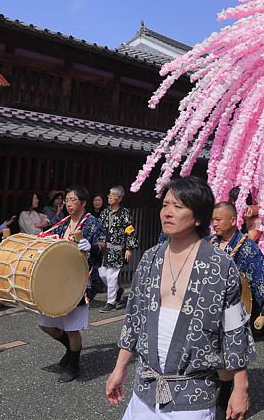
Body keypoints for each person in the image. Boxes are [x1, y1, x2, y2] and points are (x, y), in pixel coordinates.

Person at [106, 176, 255, 419]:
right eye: (165, 205)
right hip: (146, 385)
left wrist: (241, 387)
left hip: (192, 395)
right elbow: (134, 319)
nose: (168, 212)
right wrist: (119, 368)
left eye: (178, 206)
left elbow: (235, 329)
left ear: (199, 217)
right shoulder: (151, 259)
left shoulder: (220, 264)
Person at [210, 201, 264, 417]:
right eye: (213, 220)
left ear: (232, 220)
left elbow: (259, 274)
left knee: (229, 355)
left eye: (218, 219)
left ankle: (225, 399)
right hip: (209, 311)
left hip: (234, 310)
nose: (214, 224)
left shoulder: (247, 246)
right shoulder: (209, 244)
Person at [38, 185, 106, 383]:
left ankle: (74, 365)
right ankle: (71, 349)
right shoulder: (63, 223)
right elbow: (47, 236)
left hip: (80, 283)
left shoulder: (92, 223)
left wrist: (91, 247)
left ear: (83, 203)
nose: (68, 204)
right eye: (66, 200)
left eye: (72, 200)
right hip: (59, 281)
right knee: (46, 324)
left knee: (71, 327)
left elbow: (102, 244)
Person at [98, 185, 139, 312]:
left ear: (119, 199)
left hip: (117, 249)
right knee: (102, 273)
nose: (110, 197)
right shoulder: (105, 212)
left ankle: (111, 302)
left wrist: (129, 248)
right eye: (109, 195)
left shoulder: (124, 213)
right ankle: (117, 290)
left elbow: (129, 230)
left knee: (111, 276)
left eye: (113, 196)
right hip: (105, 249)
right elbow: (99, 228)